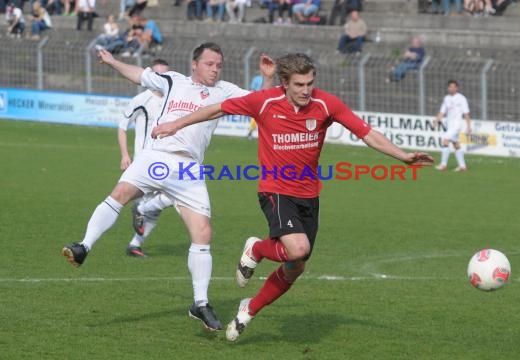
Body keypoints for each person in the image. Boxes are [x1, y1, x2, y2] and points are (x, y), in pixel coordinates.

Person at [150, 53, 434, 341]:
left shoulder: (326, 104)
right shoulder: (264, 102)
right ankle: (258, 249)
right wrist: (177, 124)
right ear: (284, 83)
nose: (306, 90)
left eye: (310, 83)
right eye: (299, 84)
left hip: (309, 195)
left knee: (296, 265)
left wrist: (403, 157)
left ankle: (249, 309)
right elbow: (216, 109)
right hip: (275, 189)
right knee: (297, 249)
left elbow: (366, 133)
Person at [61, 43, 274, 331]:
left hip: (189, 169)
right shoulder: (173, 80)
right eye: (209, 63)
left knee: (203, 232)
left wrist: (268, 77)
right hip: (156, 155)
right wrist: (112, 61)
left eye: (219, 64)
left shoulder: (225, 90)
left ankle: (200, 304)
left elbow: (261, 102)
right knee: (120, 193)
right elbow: (139, 75)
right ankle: (84, 246)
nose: (215, 69)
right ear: (195, 63)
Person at [117, 59, 172, 258]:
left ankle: (135, 245)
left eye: (164, 74)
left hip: (165, 158)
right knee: (178, 192)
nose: (160, 79)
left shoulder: (171, 100)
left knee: (159, 206)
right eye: (157, 74)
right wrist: (125, 155)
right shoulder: (141, 100)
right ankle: (141, 208)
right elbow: (122, 126)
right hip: (146, 160)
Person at [432, 79, 472, 172]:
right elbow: (442, 111)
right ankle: (462, 166)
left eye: (453, 87)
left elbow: (466, 113)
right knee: (455, 144)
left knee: (445, 140)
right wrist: (437, 120)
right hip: (450, 124)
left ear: (457, 88)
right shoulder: (446, 98)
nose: (451, 88)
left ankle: (443, 165)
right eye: (450, 87)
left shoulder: (462, 98)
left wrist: (469, 126)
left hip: (457, 124)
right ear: (448, 88)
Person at [246, 73, 263, 140]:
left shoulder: (270, 79)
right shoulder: (256, 78)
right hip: (258, 100)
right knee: (256, 117)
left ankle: (251, 131)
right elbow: (252, 89)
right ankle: (250, 131)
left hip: (266, 100)